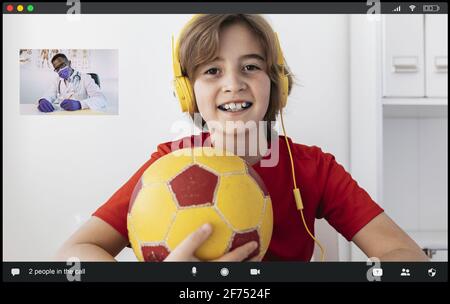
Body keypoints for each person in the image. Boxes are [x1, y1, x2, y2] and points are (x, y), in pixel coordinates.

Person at [56, 14, 428, 262]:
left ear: (276, 82)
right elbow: (74, 250)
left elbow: (404, 254)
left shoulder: (312, 169)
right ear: (188, 92)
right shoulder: (166, 166)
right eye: (212, 70)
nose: (233, 83)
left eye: (251, 67)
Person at [37, 53, 107, 113]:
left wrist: (80, 104)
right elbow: (49, 94)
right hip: (64, 115)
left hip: (81, 115)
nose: (60, 70)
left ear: (69, 63)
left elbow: (101, 99)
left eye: (62, 65)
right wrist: (43, 100)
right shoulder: (57, 81)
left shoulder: (86, 78)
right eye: (57, 69)